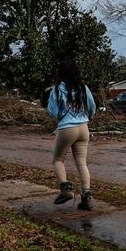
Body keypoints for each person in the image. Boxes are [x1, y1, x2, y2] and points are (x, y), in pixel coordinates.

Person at [47, 58, 97, 210]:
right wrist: (88, 115)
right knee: (82, 163)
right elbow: (92, 107)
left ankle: (66, 190)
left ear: (60, 72)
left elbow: (53, 112)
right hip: (83, 128)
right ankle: (86, 198)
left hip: (67, 129)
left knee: (57, 159)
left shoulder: (57, 89)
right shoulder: (83, 88)